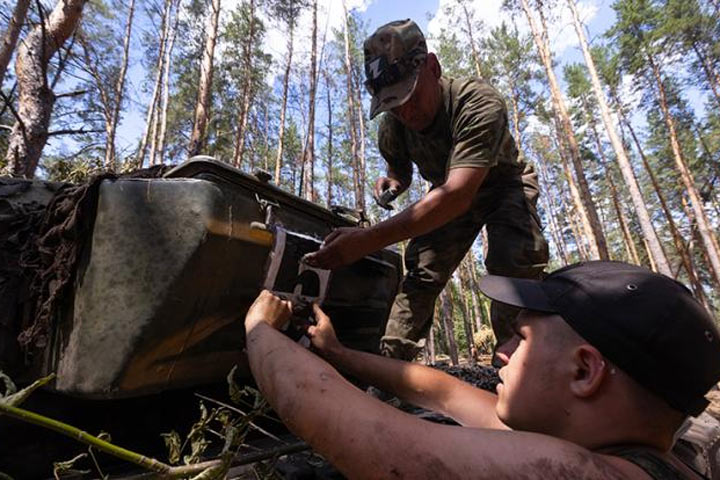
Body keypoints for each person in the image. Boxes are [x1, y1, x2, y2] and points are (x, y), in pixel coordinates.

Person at [244, 261, 720, 479]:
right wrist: (339, 353)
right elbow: (444, 392)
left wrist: (259, 332)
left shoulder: (582, 472)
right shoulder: (620, 446)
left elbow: (375, 444)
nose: (500, 352)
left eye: (522, 337)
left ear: (584, 372)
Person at [304, 19, 548, 362]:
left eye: (409, 95)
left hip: (503, 184)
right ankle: (390, 367)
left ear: (432, 67)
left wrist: (368, 239)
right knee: (421, 273)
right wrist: (393, 184)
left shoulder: (478, 103)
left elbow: (458, 194)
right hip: (447, 194)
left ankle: (518, 367)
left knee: (514, 268)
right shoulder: (394, 126)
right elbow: (399, 171)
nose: (405, 111)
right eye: (392, 103)